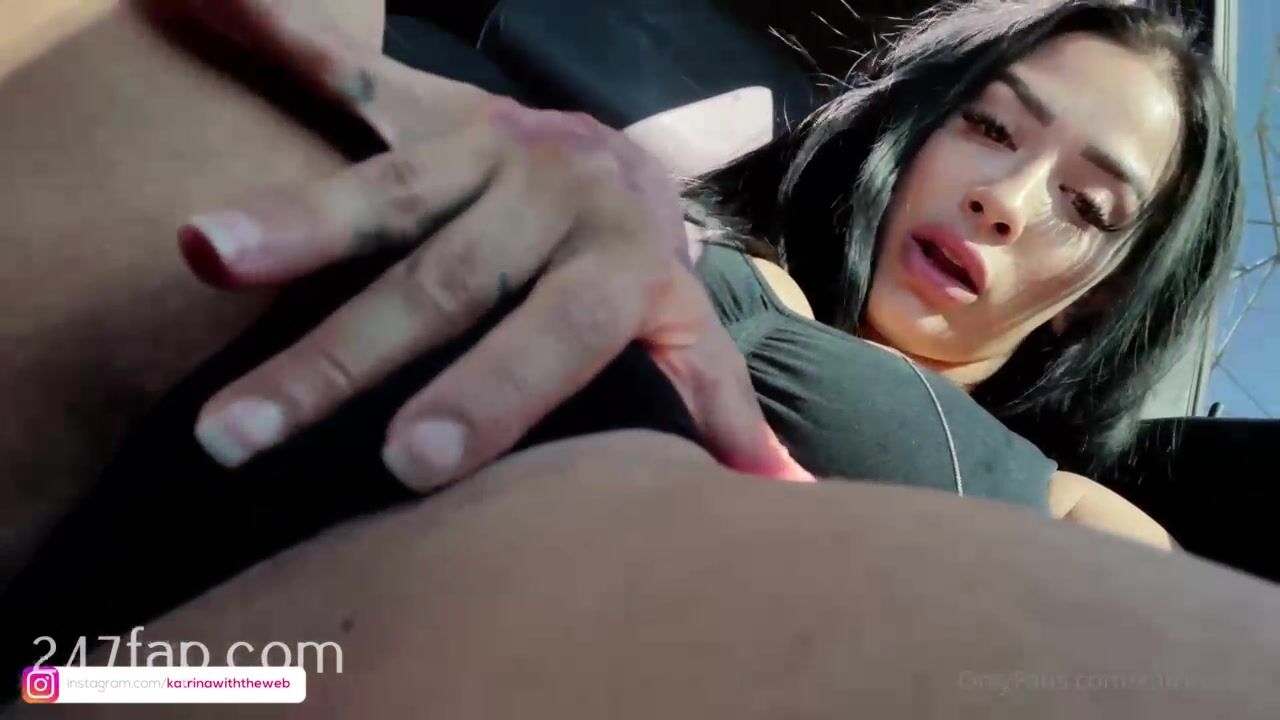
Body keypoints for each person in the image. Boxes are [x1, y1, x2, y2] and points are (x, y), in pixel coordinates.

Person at [4, 1, 1276, 717]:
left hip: (320, 659)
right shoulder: (657, 207)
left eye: (1085, 205)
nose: (1007, 197)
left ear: (1096, 306)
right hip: (154, 608)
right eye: (989, 127)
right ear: (914, 127)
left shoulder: (1072, 513)